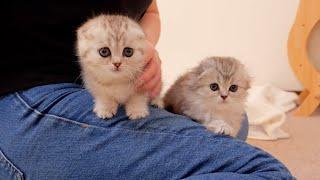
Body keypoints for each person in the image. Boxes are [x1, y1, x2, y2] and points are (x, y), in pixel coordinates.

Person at [0, 0, 294, 179]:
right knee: (262, 172)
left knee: (233, 122)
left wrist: (146, 47)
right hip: (31, 101)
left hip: (116, 91)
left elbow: (150, 12)